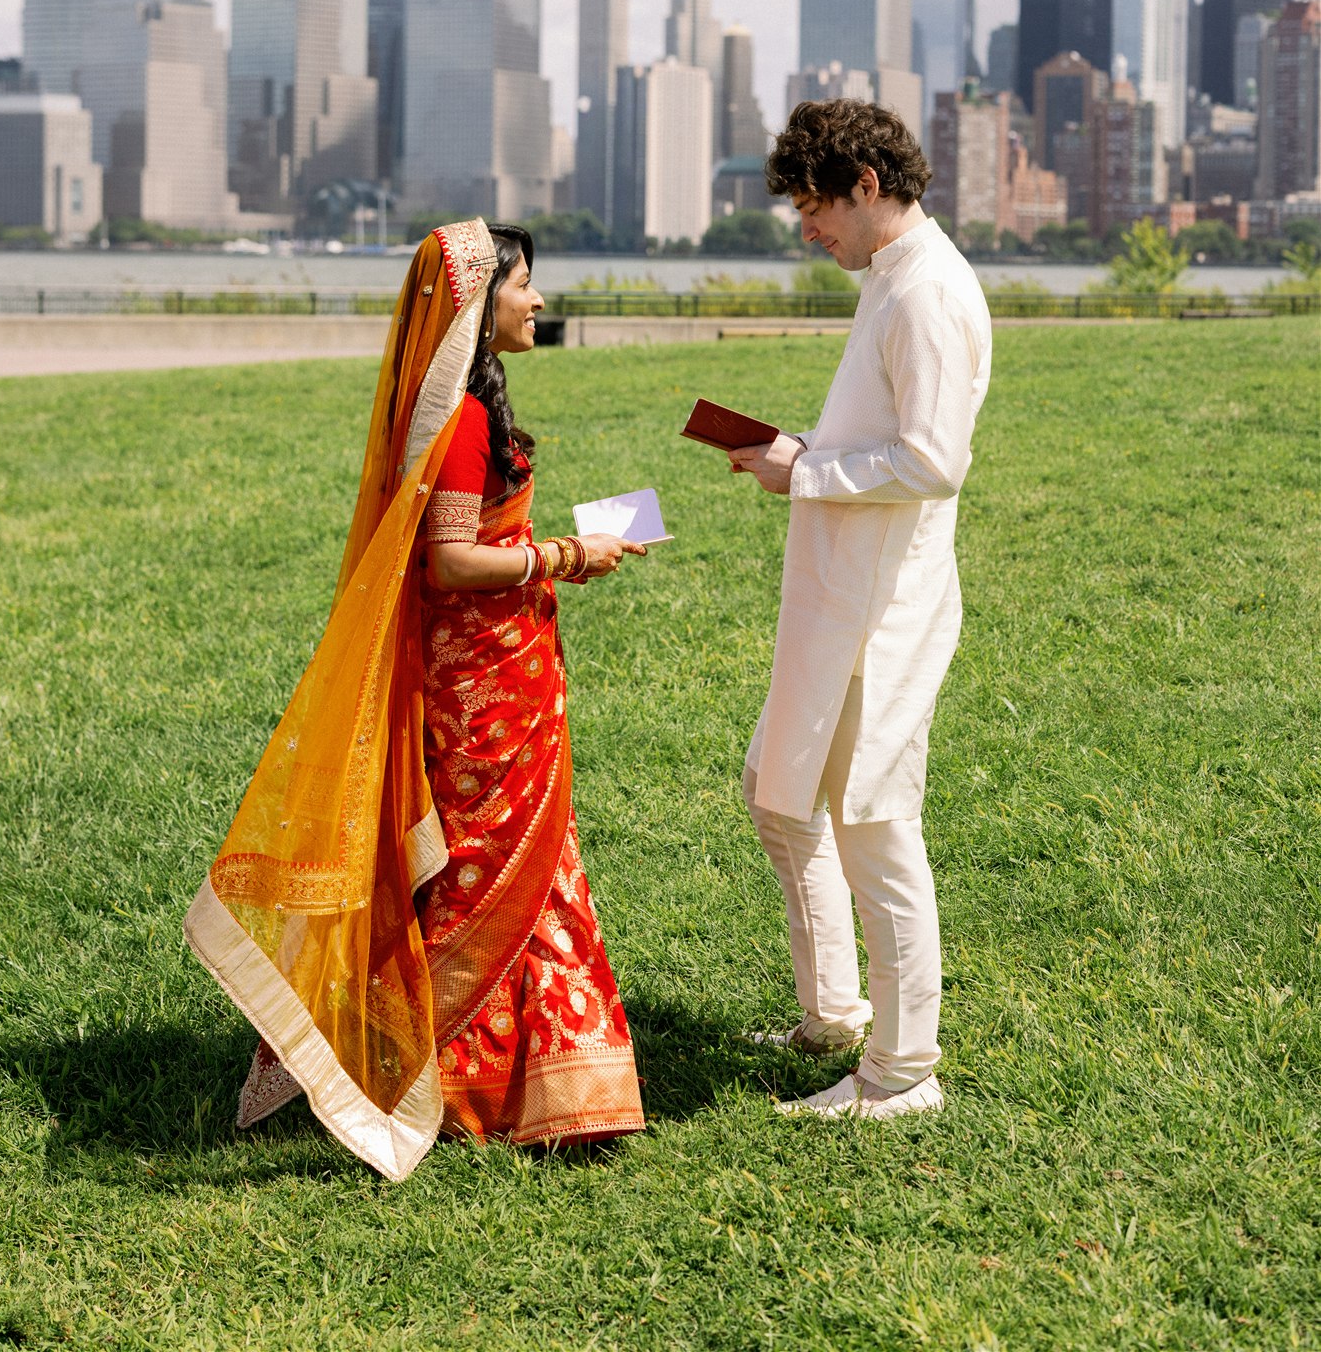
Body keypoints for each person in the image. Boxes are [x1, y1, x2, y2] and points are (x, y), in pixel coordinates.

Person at [185, 219, 647, 1179]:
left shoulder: (466, 405)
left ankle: (511, 1070)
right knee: (492, 865)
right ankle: (456, 1076)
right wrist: (564, 554)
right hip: (481, 680)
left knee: (512, 860)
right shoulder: (465, 419)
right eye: (526, 285)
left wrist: (557, 549)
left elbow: (471, 537)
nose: (538, 301)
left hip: (502, 660)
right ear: (482, 306)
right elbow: (450, 561)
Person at [729, 101, 991, 1123]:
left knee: (878, 823)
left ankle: (901, 1069)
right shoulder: (891, 280)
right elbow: (885, 436)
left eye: (813, 205)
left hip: (885, 610)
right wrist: (803, 451)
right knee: (776, 795)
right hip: (840, 595)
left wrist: (805, 466)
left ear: (866, 186)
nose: (806, 226)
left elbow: (934, 459)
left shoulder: (926, 290)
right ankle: (833, 1012)